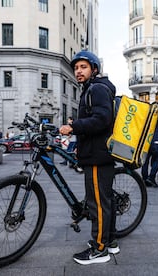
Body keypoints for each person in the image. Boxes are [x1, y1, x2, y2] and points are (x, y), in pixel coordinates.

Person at [59, 50, 118, 265]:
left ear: (94, 69)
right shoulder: (93, 89)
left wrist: (73, 126)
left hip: (98, 156)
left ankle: (99, 249)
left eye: (83, 67)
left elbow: (102, 120)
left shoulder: (97, 89)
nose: (78, 71)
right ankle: (110, 242)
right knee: (105, 200)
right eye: (76, 68)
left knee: (98, 205)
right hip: (97, 152)